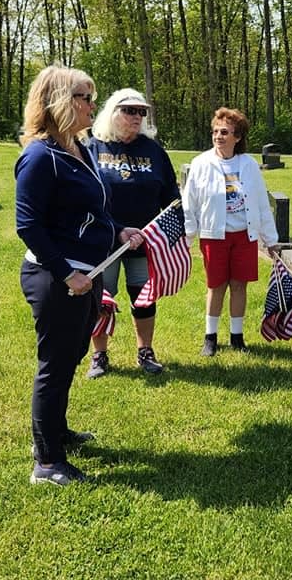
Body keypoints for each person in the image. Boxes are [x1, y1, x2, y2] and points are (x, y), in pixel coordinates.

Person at [15, 65, 143, 486]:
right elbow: (28, 225)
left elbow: (95, 210)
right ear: (57, 102)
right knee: (55, 364)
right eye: (84, 97)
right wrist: (67, 273)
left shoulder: (79, 148)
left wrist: (118, 229)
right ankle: (47, 462)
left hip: (87, 274)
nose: (92, 104)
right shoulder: (39, 156)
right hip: (57, 280)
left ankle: (56, 432)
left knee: (70, 358)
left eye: (91, 96)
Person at [84, 88, 180, 378]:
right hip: (105, 240)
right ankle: (99, 355)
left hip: (144, 240)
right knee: (102, 297)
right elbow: (82, 194)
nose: (137, 117)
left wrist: (174, 233)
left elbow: (170, 195)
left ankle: (145, 351)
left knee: (143, 297)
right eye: (130, 111)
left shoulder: (153, 150)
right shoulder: (92, 146)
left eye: (141, 112)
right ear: (113, 112)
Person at [182, 107, 280, 356]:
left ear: (237, 136)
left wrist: (271, 239)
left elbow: (260, 203)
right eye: (215, 131)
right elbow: (189, 202)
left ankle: (237, 337)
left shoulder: (248, 165)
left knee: (239, 285)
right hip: (214, 236)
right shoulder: (201, 163)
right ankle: (210, 337)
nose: (218, 136)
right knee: (216, 286)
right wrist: (189, 234)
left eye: (225, 132)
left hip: (244, 236)